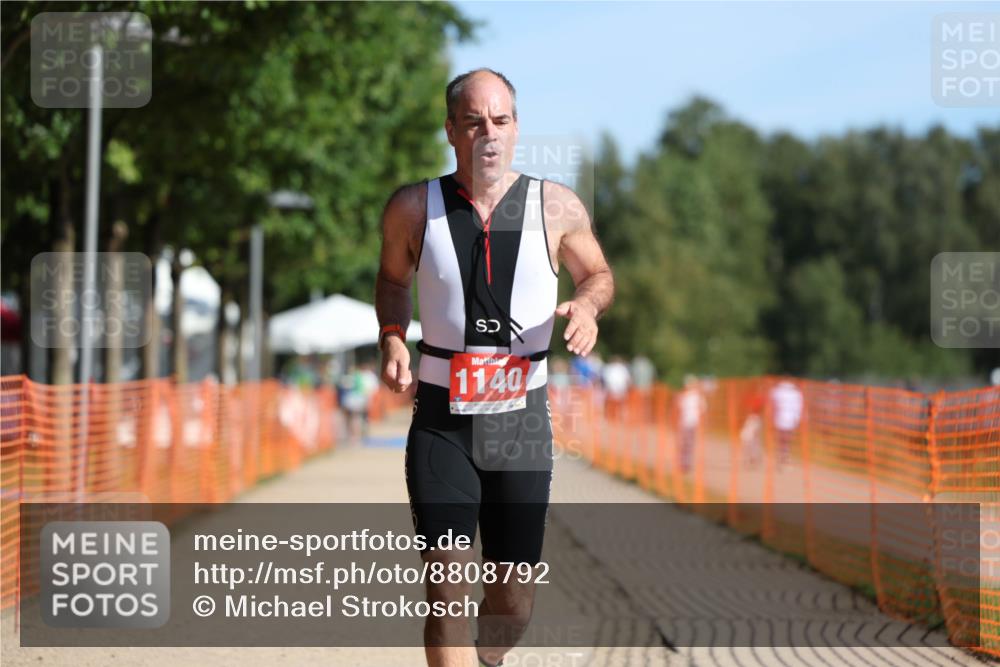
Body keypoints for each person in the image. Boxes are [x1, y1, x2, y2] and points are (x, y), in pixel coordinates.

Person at [374, 68, 614, 667]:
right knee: (447, 590)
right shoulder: (412, 207)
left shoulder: (555, 205)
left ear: (516, 128)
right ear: (451, 129)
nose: (490, 134)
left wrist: (586, 306)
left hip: (523, 427)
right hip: (442, 423)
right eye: (475, 121)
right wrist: (392, 337)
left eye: (501, 121)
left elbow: (599, 275)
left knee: (512, 605)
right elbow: (391, 280)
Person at [676, 374, 706, 474]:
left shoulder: (697, 396)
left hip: (692, 423)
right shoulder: (684, 395)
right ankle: (684, 463)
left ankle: (686, 463)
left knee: (688, 444)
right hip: (685, 423)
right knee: (685, 444)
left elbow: (703, 410)